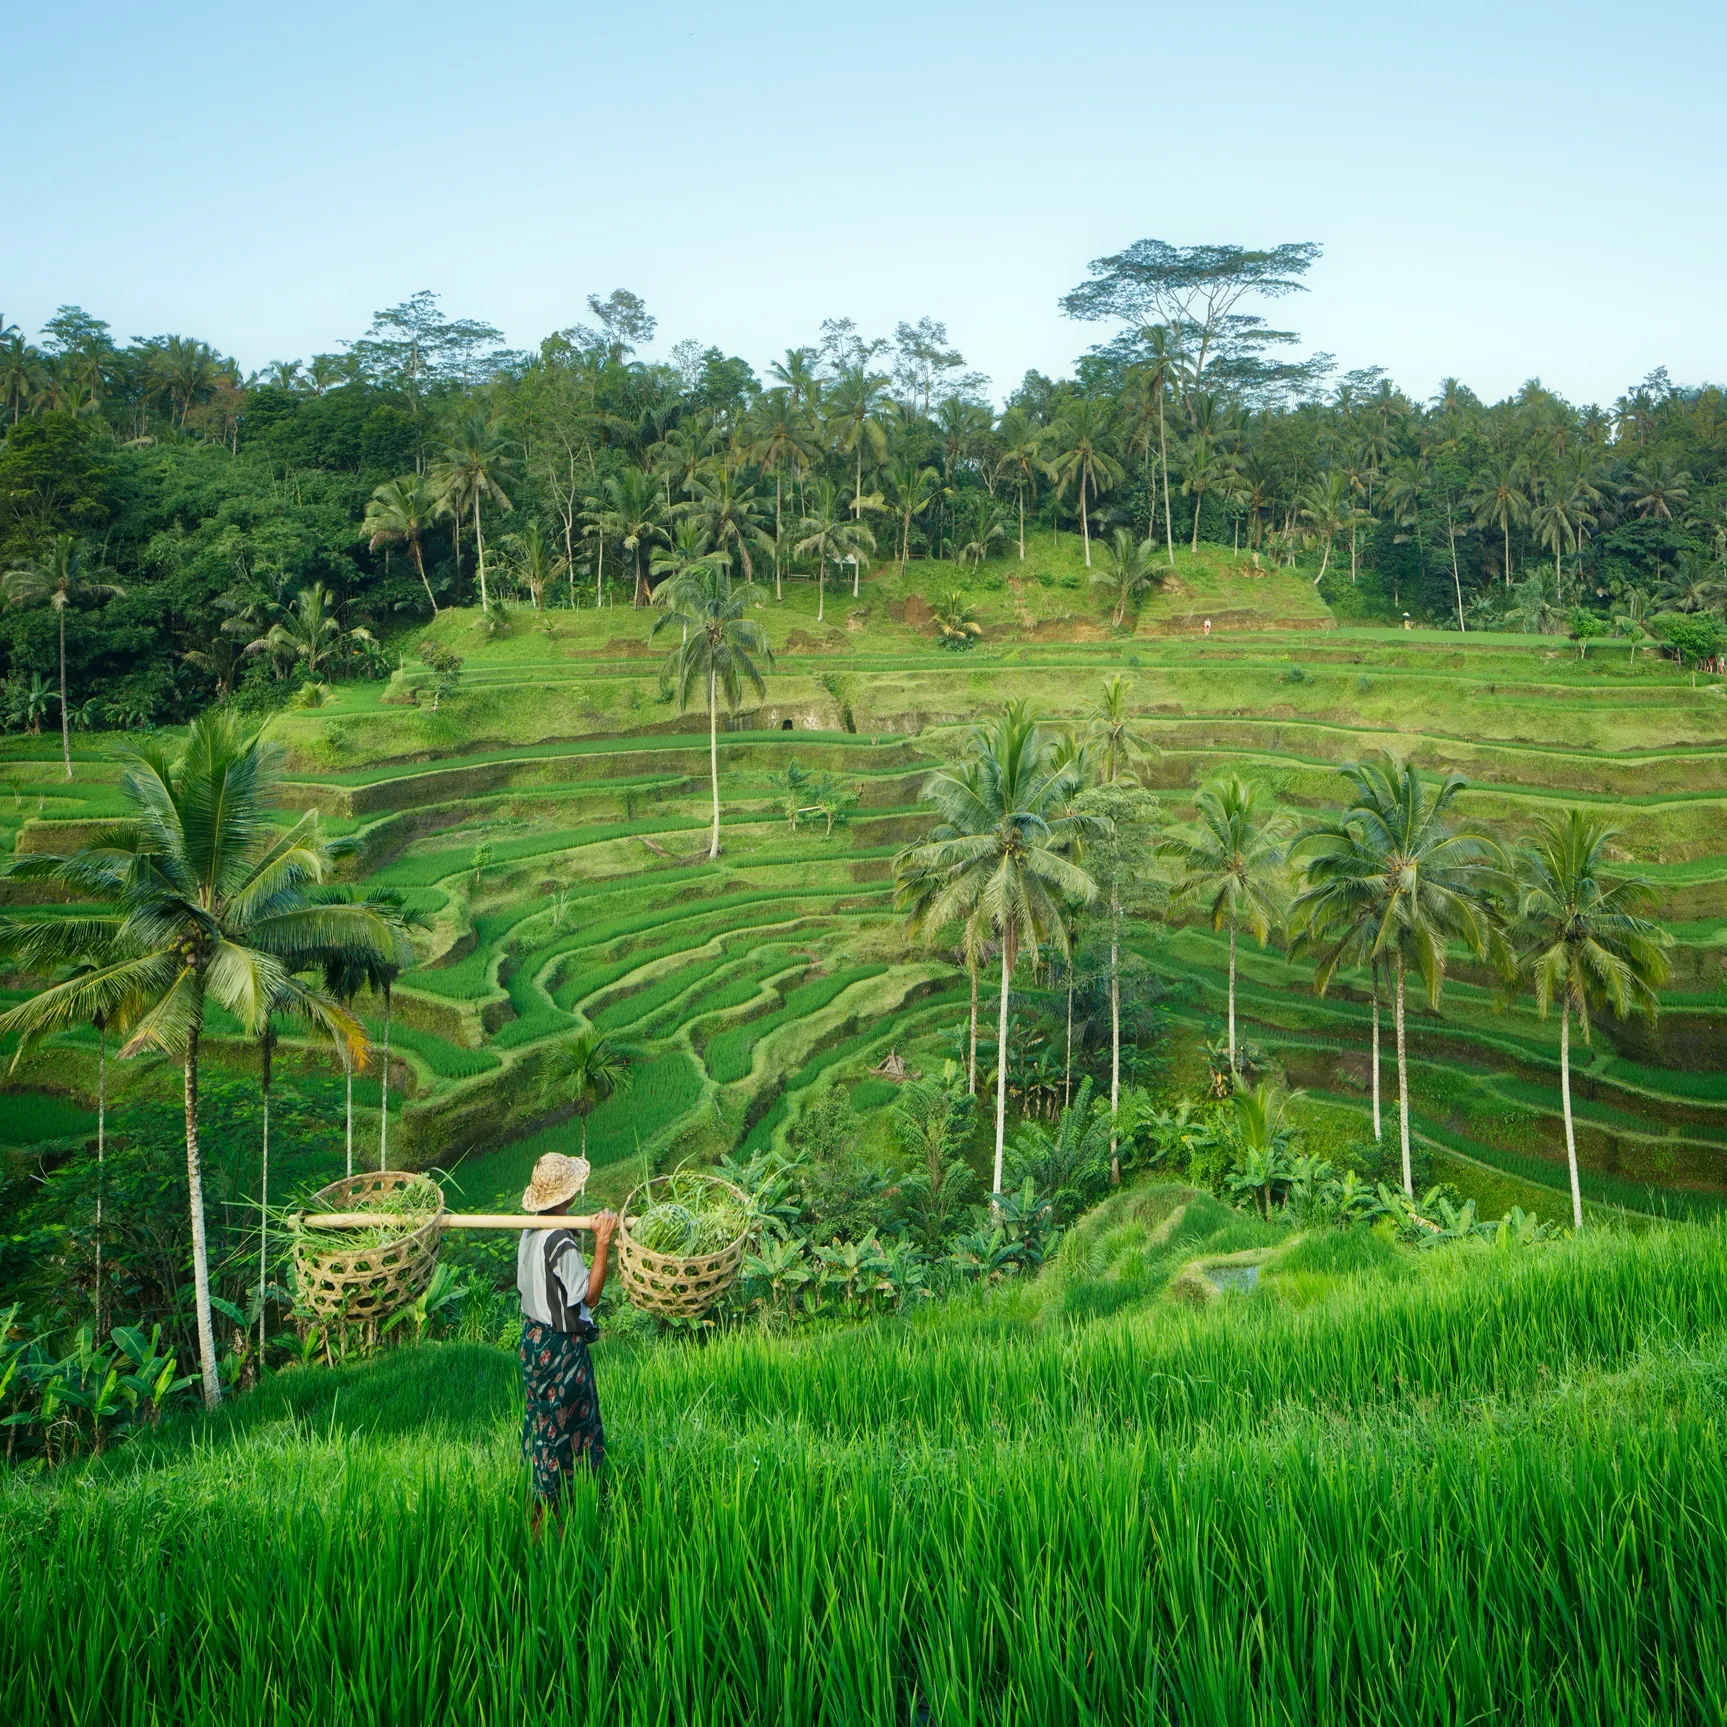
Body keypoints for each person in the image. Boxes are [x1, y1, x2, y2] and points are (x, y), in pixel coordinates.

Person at [517, 1152, 618, 1525]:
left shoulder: (528, 1231)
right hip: (560, 1348)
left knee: (543, 1420)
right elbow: (588, 1296)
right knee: (567, 1425)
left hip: (533, 1341)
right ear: (568, 1197)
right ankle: (556, 1516)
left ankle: (541, 1504)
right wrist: (603, 1242)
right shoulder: (559, 1241)